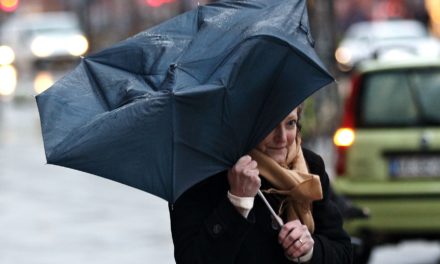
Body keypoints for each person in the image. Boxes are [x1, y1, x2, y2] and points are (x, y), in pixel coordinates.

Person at [169, 105, 353, 263]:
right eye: (270, 125)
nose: (282, 138)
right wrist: (236, 203)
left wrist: (309, 251)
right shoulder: (202, 175)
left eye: (290, 123)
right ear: (247, 124)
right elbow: (192, 259)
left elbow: (343, 251)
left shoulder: (310, 167)